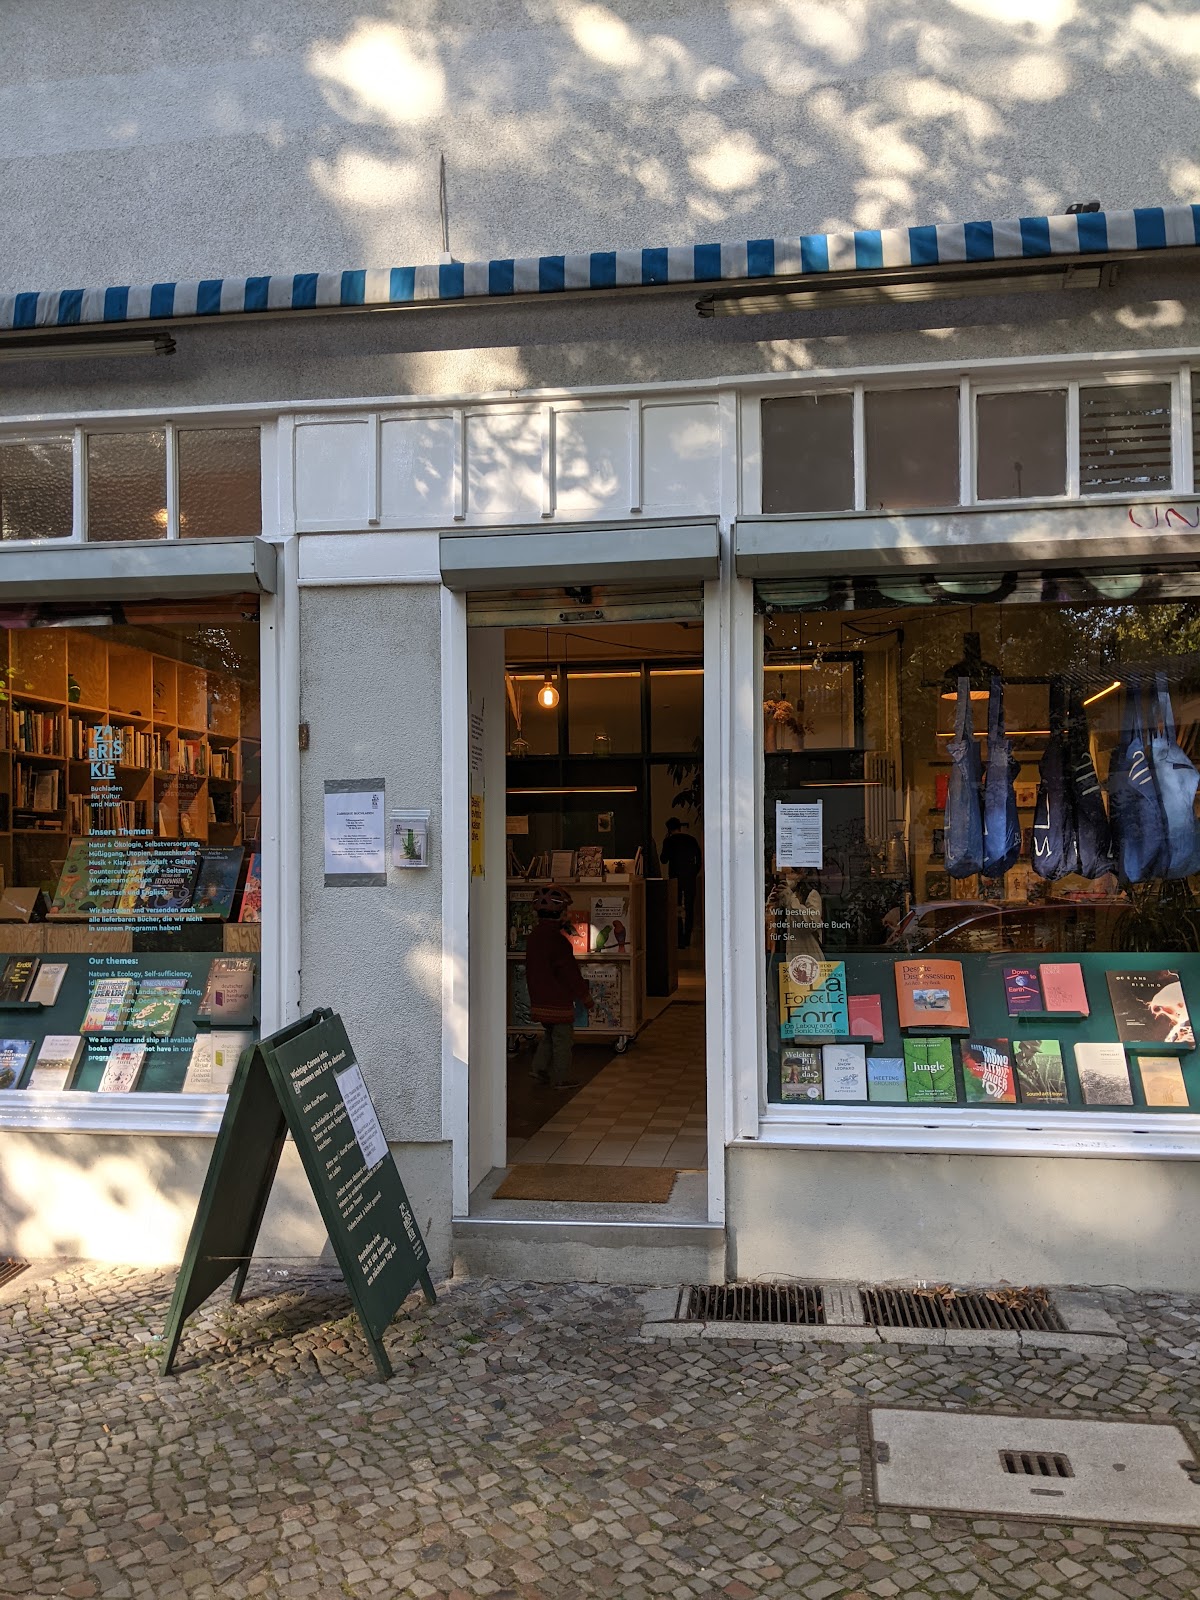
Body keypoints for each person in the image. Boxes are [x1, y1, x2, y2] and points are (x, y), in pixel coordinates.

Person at [524, 886, 593, 1088]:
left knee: (549, 1034)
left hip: (539, 998)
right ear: (560, 913)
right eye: (565, 911)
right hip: (558, 1001)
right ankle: (561, 1078)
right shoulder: (558, 941)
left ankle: (539, 1068)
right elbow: (570, 973)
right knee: (563, 1040)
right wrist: (585, 996)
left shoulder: (534, 937)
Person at [660, 817, 703, 949]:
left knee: (676, 907)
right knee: (689, 908)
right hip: (690, 878)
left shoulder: (669, 841)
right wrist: (694, 872)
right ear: (680, 827)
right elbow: (699, 860)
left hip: (675, 879)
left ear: (669, 829)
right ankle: (687, 938)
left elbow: (663, 860)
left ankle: (678, 938)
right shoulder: (691, 840)